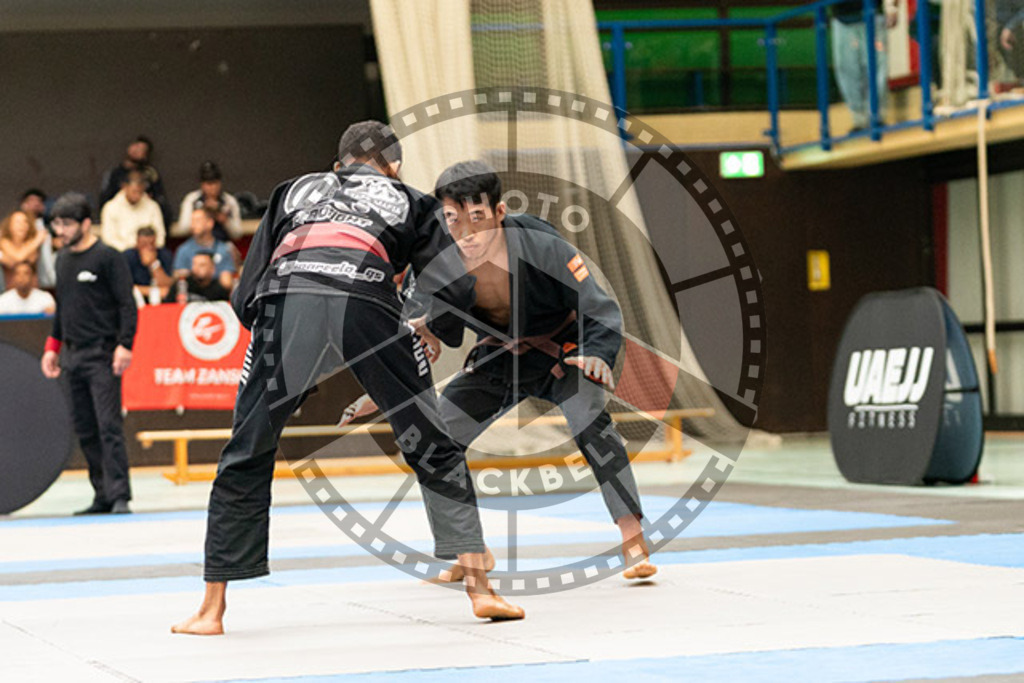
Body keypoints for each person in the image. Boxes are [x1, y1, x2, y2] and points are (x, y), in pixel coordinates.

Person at [170, 121, 523, 637]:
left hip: (286, 300)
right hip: (367, 300)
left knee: (247, 449)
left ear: (338, 165)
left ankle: (210, 610)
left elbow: (246, 292)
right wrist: (439, 333)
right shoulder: (409, 199)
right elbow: (448, 282)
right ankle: (481, 591)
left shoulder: (292, 190)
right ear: (393, 167)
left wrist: (280, 357)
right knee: (432, 442)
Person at [341, 160, 656, 582]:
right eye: (453, 219)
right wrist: (386, 386)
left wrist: (597, 352)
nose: (466, 233)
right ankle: (468, 551)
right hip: (498, 359)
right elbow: (413, 332)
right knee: (434, 443)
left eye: (477, 219)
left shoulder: (542, 244)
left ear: (499, 212)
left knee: (591, 424)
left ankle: (632, 538)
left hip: (563, 353)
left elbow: (599, 307)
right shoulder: (436, 258)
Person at [40, 193, 137, 515]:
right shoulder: (62, 259)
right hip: (73, 355)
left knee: (108, 426)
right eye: (56, 223)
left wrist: (125, 344)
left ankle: (120, 494)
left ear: (84, 223)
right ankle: (102, 494)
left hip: (103, 353)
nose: (60, 230)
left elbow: (127, 303)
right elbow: (62, 309)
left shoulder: (108, 257)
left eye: (66, 224)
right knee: (85, 428)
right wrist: (52, 347)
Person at [830, 0, 898, 133]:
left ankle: (876, 116)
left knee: (877, 69)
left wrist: (891, 7)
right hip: (843, 18)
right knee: (847, 69)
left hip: (873, 15)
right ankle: (859, 120)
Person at [99, 135, 171, 225]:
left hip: (144, 220)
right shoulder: (114, 174)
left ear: (145, 156)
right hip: (120, 221)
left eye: (141, 149)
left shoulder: (151, 175)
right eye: (136, 146)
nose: (136, 150)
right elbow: (105, 201)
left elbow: (161, 201)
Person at [177, 161, 243, 242]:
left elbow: (238, 234)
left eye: (215, 183)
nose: (212, 187)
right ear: (202, 184)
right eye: (208, 183)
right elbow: (182, 229)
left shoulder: (229, 201)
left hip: (222, 244)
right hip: (196, 244)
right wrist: (202, 215)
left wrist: (224, 219)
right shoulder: (191, 200)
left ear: (220, 183)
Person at [100, 171, 167, 251]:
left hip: (148, 251)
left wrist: (148, 247)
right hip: (120, 253)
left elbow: (160, 236)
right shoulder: (110, 207)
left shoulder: (152, 206)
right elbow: (108, 240)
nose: (137, 196)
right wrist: (130, 248)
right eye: (134, 192)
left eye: (140, 192)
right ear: (124, 187)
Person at [173, 207, 235, 290]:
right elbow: (178, 279)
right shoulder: (183, 250)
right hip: (192, 296)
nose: (193, 225)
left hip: (217, 297)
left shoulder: (223, 249)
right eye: (192, 221)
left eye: (197, 221)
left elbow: (227, 283)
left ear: (210, 223)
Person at [123, 226, 174, 302]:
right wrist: (151, 291)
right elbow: (125, 287)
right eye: (144, 244)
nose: (148, 248)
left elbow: (167, 287)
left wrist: (154, 264)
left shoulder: (164, 254)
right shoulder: (127, 256)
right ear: (137, 243)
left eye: (152, 244)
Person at [19, 189, 57, 288]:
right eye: (31, 201)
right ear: (24, 205)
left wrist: (54, 243)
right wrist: (38, 240)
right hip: (24, 282)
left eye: (39, 201)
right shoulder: (18, 226)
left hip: (48, 280)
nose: (35, 204)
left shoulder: (51, 226)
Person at [0, 210, 47, 286]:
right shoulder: (4, 242)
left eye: (25, 222)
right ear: (9, 226)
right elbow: (18, 258)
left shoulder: (31, 242)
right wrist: (38, 240)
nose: (22, 225)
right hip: (9, 292)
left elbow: (30, 259)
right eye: (17, 222)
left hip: (33, 290)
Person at [165, 252, 231, 303]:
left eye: (202, 265)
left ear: (212, 269)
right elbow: (166, 306)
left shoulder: (219, 290)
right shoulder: (182, 285)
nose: (196, 268)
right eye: (194, 264)